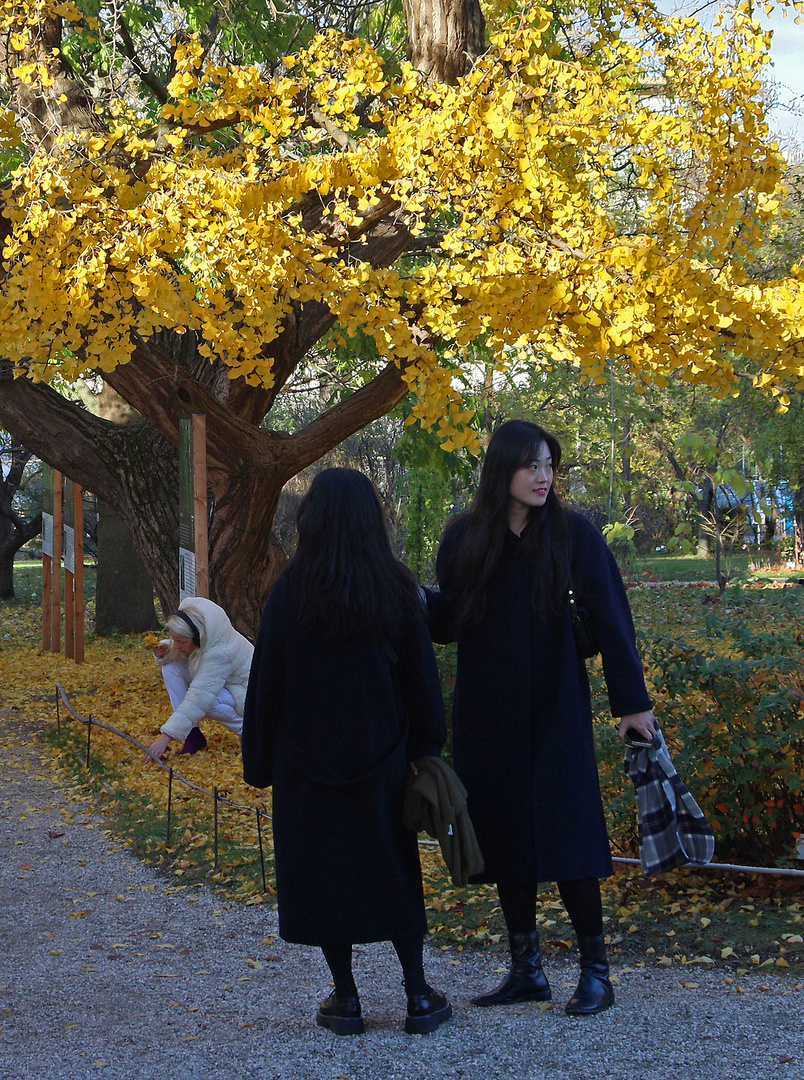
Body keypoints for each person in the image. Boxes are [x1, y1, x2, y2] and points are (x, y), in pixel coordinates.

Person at [426, 419, 656, 1016]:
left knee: (569, 829)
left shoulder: (574, 537)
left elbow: (612, 621)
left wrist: (632, 705)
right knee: (503, 832)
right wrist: (408, 605)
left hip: (556, 706)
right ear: (502, 470)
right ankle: (526, 967)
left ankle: (595, 970)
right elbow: (449, 623)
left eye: (550, 465)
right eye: (532, 465)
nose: (543, 476)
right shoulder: (465, 539)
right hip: (487, 710)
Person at [242, 468, 452, 1037]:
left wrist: (259, 760)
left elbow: (268, 683)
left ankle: (348, 996)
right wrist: (426, 746)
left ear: (313, 519)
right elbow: (421, 680)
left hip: (306, 763)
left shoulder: (291, 592)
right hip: (384, 758)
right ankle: (417, 993)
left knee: (324, 875)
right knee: (393, 867)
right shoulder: (394, 587)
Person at [145, 597, 254, 761]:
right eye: (175, 640)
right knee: (171, 669)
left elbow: (200, 697)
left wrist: (166, 736)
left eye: (180, 642)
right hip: (224, 683)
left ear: (197, 637)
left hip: (246, 694)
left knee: (208, 703)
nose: (177, 645)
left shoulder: (220, 652)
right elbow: (191, 650)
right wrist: (169, 648)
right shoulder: (200, 629)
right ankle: (192, 735)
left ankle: (250, 732)